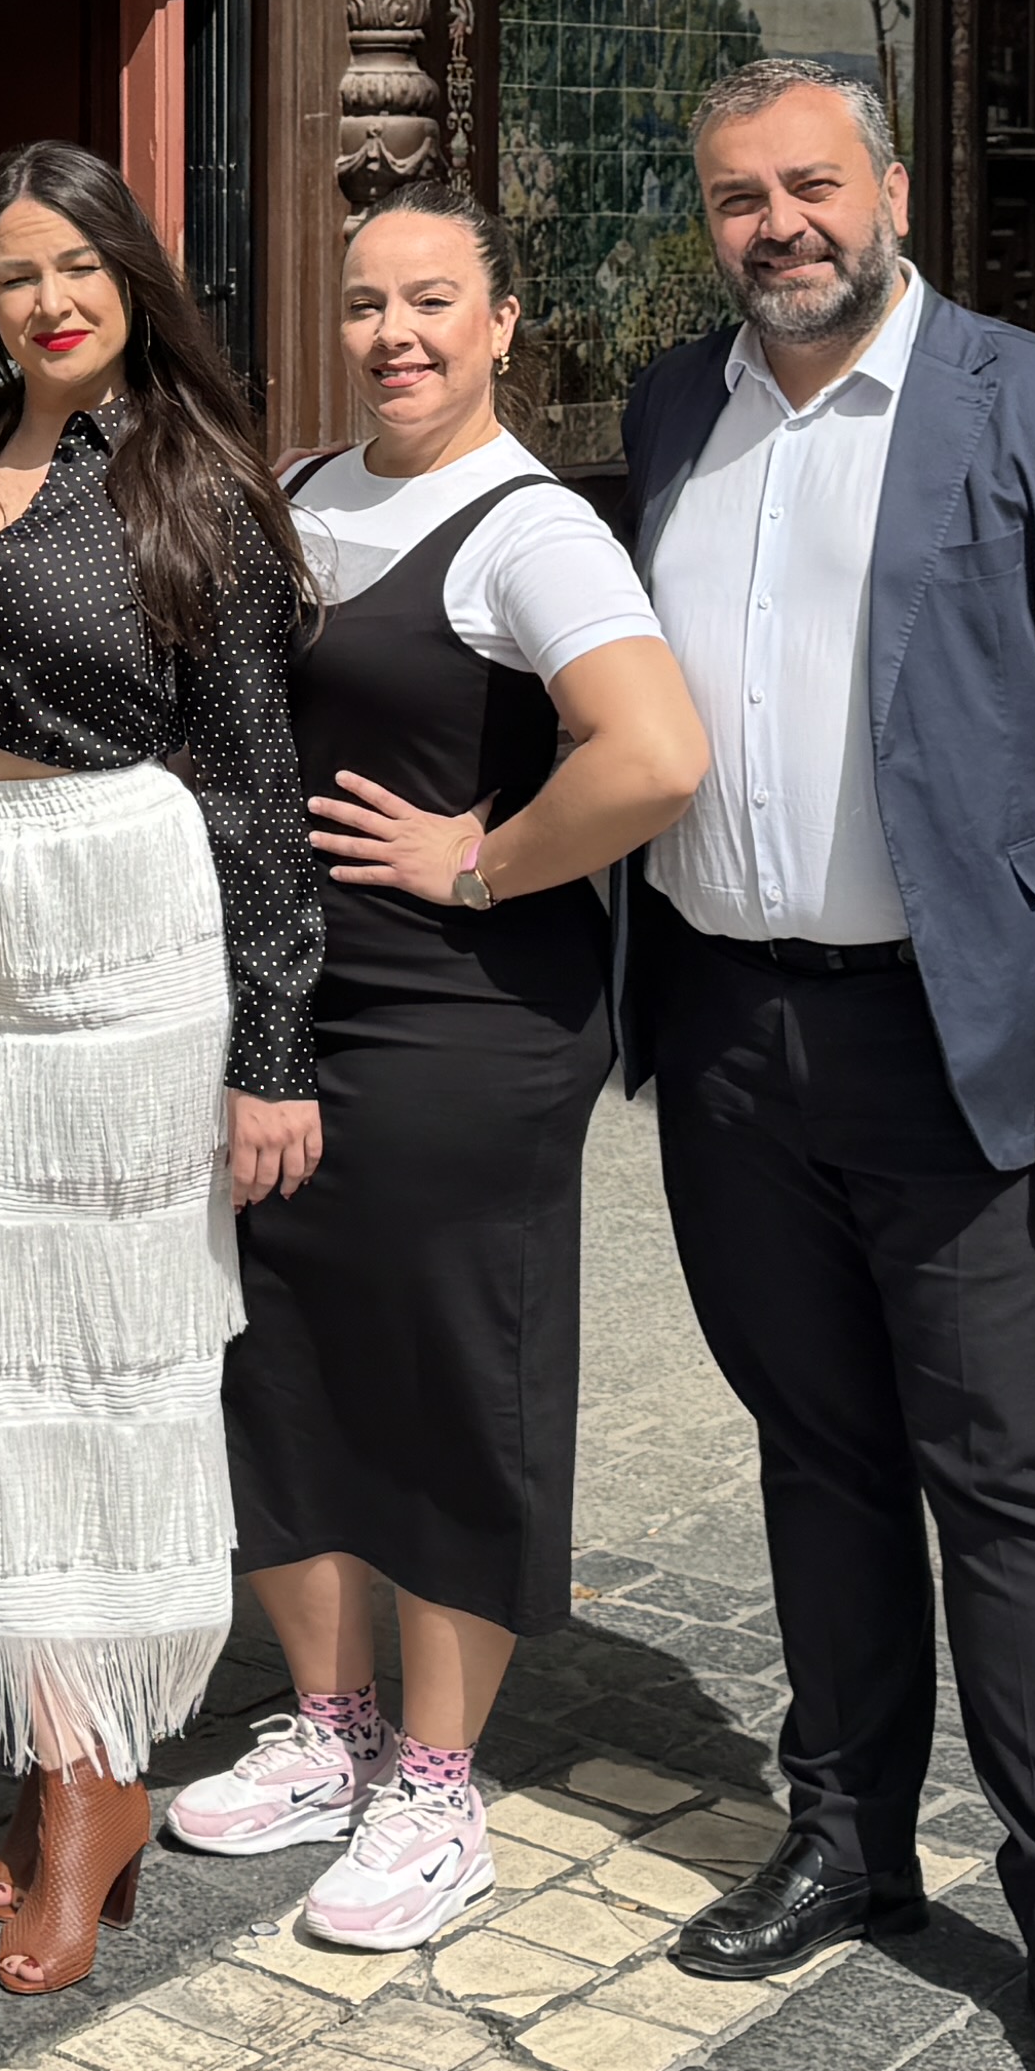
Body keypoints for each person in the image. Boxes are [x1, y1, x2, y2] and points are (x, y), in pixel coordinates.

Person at [611, 59, 1035, 2071]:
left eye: (810, 185)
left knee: (1014, 1488)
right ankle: (851, 1833)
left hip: (967, 1048)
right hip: (728, 1033)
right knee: (817, 1453)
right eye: (738, 198)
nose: (779, 225)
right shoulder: (678, 413)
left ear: (886, 187)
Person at [171, 191, 708, 1952]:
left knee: (442, 1375)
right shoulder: (314, 491)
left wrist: (479, 854)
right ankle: (322, 1728)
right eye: (365, 302)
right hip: (292, 1019)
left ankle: (439, 1775)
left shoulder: (528, 528)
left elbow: (655, 749)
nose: (396, 330)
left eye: (431, 301)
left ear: (500, 322)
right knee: (288, 1362)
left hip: (461, 1025)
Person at [0, 137, 310, 1996]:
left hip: (115, 935)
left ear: (133, 282)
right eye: (15, 269)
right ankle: (69, 1752)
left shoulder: (195, 482)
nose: (46, 298)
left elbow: (256, 788)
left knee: (112, 1365)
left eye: (79, 266)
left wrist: (270, 1051)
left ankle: (93, 1773)